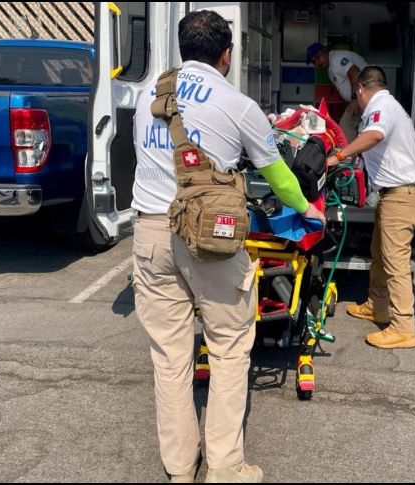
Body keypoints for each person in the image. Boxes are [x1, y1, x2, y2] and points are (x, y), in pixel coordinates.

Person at [131, 10, 324, 484]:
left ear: (182, 49)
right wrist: (308, 209)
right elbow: (276, 173)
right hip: (210, 240)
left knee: (170, 356)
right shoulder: (236, 104)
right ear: (226, 54)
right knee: (230, 348)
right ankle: (224, 467)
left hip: (150, 234)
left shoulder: (146, 98)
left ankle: (179, 468)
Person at [326, 66, 415, 350]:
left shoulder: (380, 106)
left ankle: (404, 327)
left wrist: (340, 156)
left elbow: (375, 136)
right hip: (395, 195)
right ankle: (377, 306)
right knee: (379, 255)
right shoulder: (390, 105)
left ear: (360, 88)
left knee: (395, 263)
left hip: (401, 197)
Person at [306, 42, 368, 141]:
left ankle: (350, 153)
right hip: (360, 99)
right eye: (314, 62)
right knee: (350, 126)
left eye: (318, 57)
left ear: (325, 51)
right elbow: (344, 90)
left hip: (364, 97)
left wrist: (354, 100)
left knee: (346, 124)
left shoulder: (336, 59)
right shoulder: (330, 68)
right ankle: (352, 153)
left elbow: (355, 72)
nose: (317, 63)